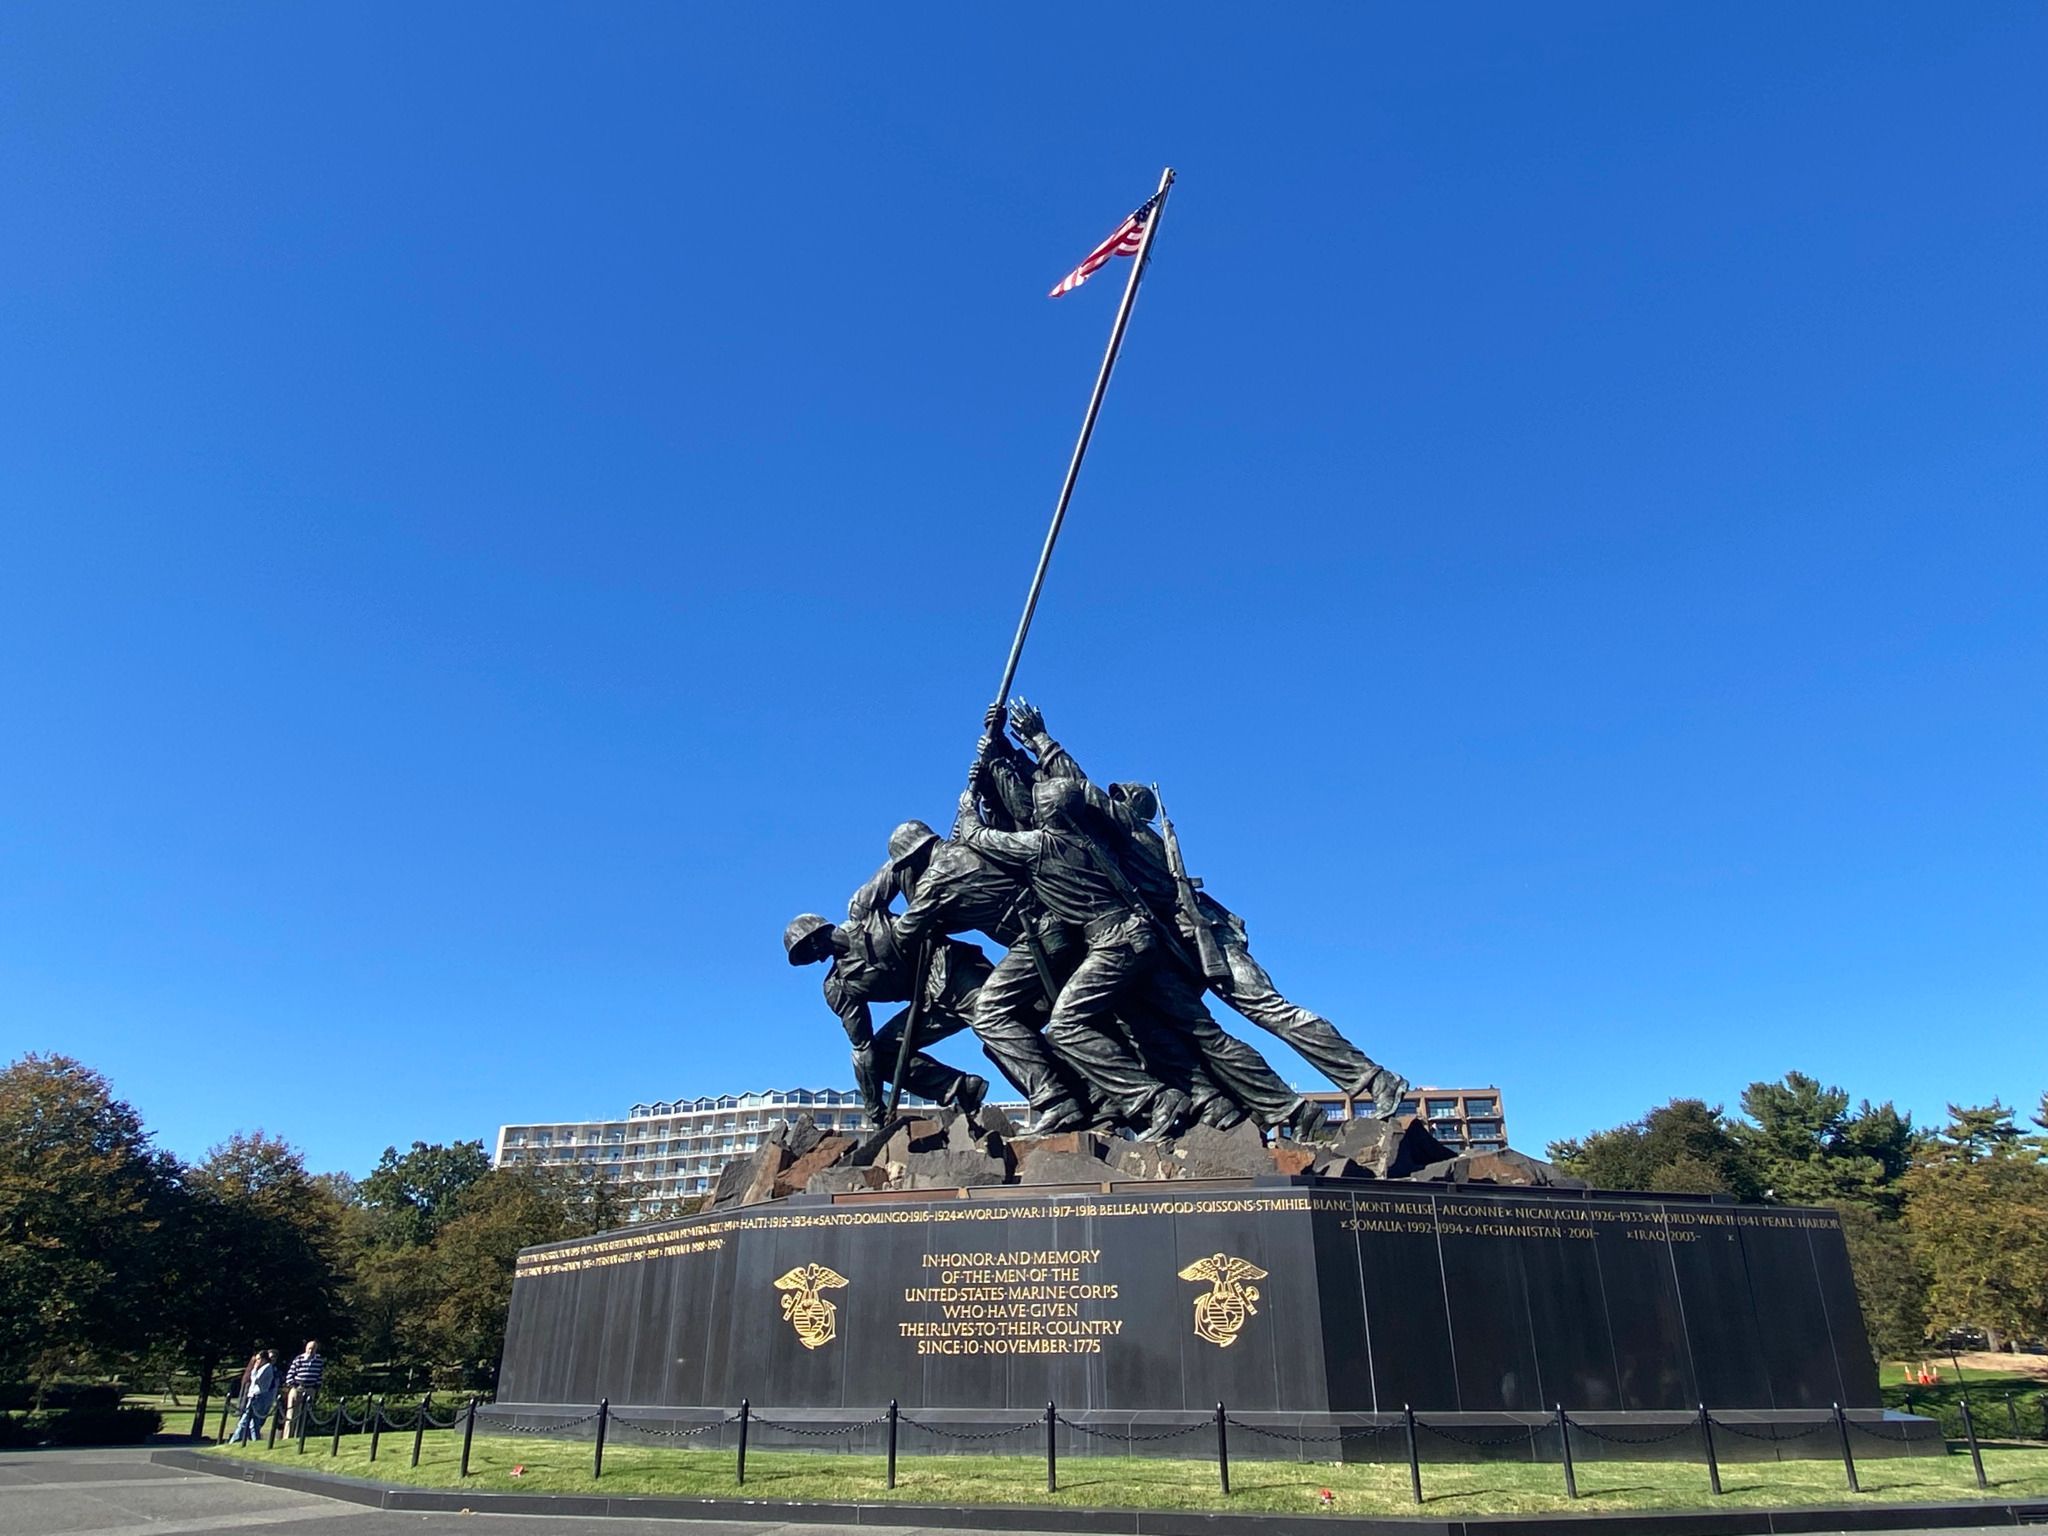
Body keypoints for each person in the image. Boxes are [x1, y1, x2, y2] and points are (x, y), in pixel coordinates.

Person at [228, 1349, 277, 1444]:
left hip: (258, 1396)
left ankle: (234, 1440)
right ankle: (255, 1440)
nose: (257, 1361)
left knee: (244, 1421)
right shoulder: (264, 1367)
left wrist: (255, 1369)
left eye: (259, 1359)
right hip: (253, 1395)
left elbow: (256, 1379)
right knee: (253, 1422)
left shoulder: (267, 1367)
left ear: (264, 1359)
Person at [282, 1339, 324, 1438]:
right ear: (306, 1348)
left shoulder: (318, 1361)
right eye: (309, 1348)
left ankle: (300, 1435)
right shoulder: (299, 1359)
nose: (311, 1351)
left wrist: (316, 1387)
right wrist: (294, 1385)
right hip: (298, 1388)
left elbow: (320, 1375)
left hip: (310, 1388)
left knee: (305, 1414)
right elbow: (290, 1375)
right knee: (292, 1413)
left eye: (313, 1349)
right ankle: (288, 1436)